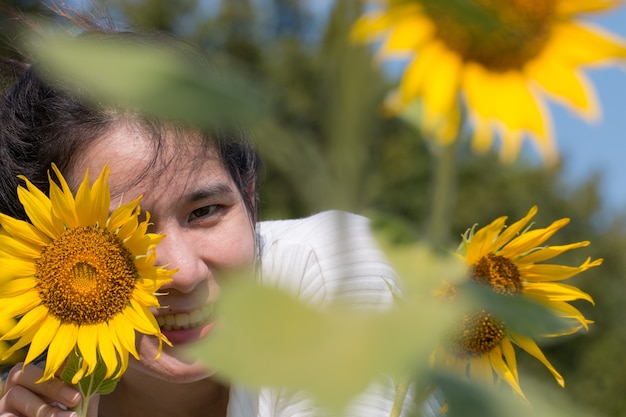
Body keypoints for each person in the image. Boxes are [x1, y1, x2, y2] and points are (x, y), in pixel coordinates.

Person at [0, 12, 408, 417]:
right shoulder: (41, 398)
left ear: (249, 194)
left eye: (205, 212)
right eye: (120, 237)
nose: (183, 272)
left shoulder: (334, 268)